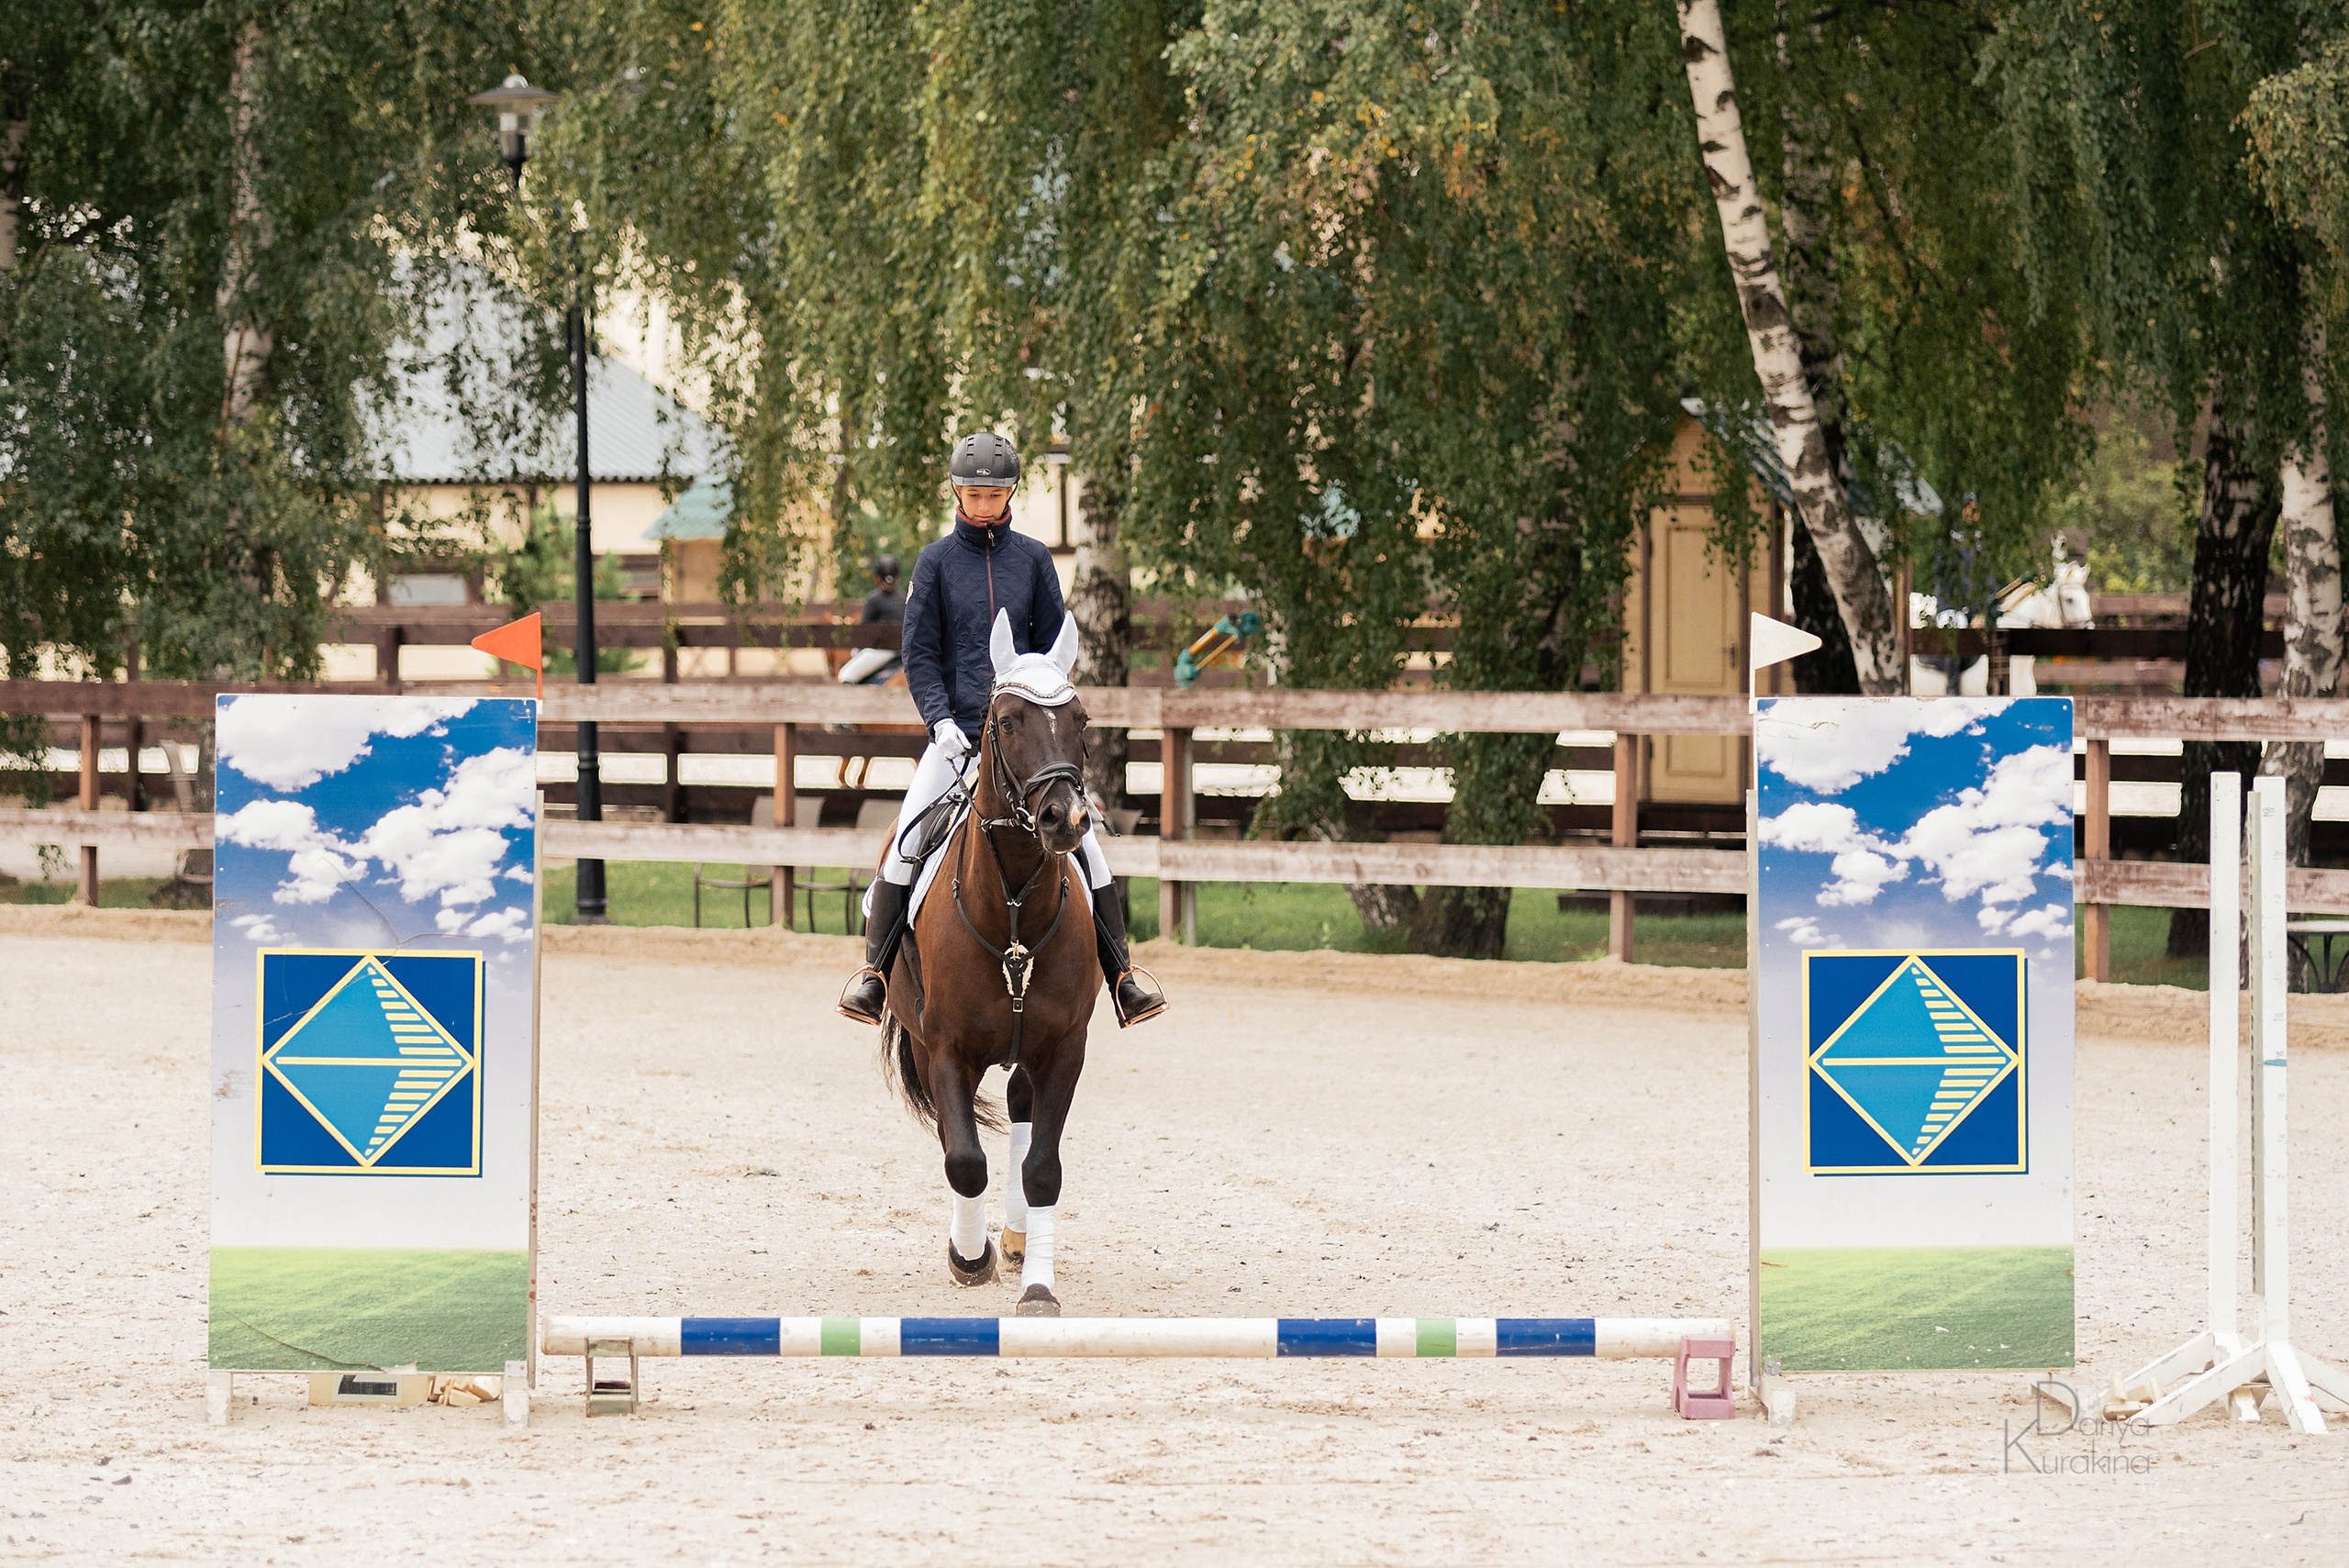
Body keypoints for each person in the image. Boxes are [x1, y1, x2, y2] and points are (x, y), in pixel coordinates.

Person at [837, 431, 1167, 1029]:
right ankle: (875, 977)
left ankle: (1123, 977)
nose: (983, 504)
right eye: (972, 493)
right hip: (957, 736)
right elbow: (920, 652)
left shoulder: (1034, 560)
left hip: (1025, 746)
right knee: (907, 840)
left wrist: (1043, 728)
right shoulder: (934, 563)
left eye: (994, 493)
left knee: (1087, 846)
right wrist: (938, 721)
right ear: (956, 492)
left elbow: (1049, 652)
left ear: (1010, 491)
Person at [834, 554, 904, 686]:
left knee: (845, 676)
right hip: (903, 652)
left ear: (876, 578)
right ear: (897, 578)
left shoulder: (874, 599)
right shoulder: (904, 598)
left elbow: (864, 632)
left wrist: (856, 650)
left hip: (881, 651)